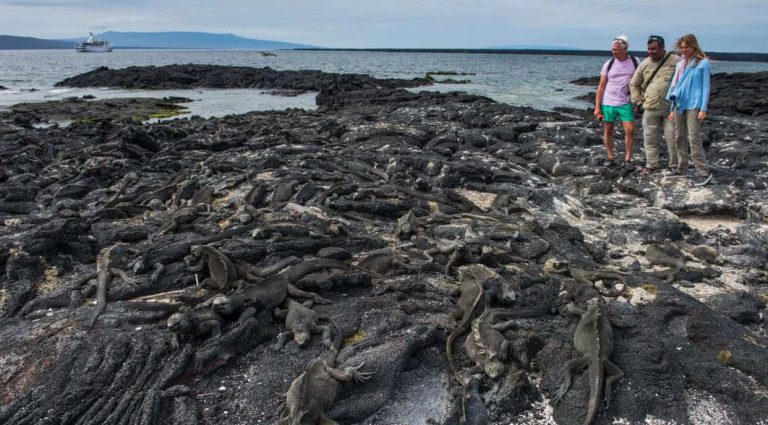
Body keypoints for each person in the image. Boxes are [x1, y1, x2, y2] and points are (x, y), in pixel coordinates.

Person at [666, 34, 713, 186]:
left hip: (694, 104)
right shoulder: (680, 64)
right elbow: (675, 85)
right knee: (679, 136)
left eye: (687, 46)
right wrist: (672, 108)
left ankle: (703, 172)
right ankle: (682, 168)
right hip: (680, 103)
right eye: (682, 47)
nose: (684, 50)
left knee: (693, 137)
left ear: (694, 46)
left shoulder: (702, 63)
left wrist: (703, 108)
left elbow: (706, 87)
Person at [629, 35, 679, 176]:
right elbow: (633, 84)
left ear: (662, 48)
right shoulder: (644, 64)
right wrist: (637, 100)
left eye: (654, 49)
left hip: (671, 107)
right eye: (649, 49)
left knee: (672, 137)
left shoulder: (676, 61)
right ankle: (651, 164)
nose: (651, 52)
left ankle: (675, 165)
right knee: (650, 137)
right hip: (650, 107)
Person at [594, 34, 638, 168]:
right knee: (608, 130)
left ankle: (628, 159)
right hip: (608, 102)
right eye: (613, 49)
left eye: (617, 49)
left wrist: (637, 100)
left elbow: (640, 82)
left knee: (630, 129)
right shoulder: (609, 64)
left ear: (625, 49)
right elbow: (601, 86)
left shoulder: (635, 62)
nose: (614, 52)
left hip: (625, 101)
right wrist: (597, 107)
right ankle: (610, 157)